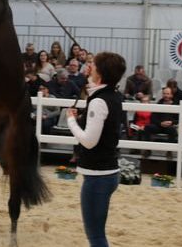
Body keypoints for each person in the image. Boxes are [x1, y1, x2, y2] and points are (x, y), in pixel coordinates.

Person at [66, 52, 126, 247]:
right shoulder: (112, 95)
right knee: (97, 234)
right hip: (106, 173)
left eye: (94, 65)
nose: (90, 67)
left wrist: (71, 122)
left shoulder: (99, 101)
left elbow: (89, 141)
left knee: (96, 236)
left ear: (100, 74)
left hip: (98, 176)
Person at [145, 87, 179, 157]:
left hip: (169, 126)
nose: (166, 95)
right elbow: (153, 118)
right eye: (164, 93)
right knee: (147, 127)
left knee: (173, 130)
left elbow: (178, 119)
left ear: (171, 95)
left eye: (168, 94)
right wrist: (160, 123)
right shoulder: (159, 103)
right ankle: (147, 150)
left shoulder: (176, 104)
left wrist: (171, 122)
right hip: (159, 125)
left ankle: (169, 151)